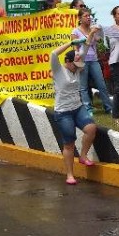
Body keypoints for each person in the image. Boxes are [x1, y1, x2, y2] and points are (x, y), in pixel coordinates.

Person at [50, 39, 98, 185]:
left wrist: (88, 37)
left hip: (78, 107)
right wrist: (70, 44)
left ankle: (83, 156)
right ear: (67, 61)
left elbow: (86, 47)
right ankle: (70, 175)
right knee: (69, 144)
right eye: (75, 65)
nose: (78, 68)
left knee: (91, 128)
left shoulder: (76, 66)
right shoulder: (58, 70)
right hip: (63, 112)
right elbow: (53, 54)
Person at [71, 2, 113, 116]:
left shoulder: (92, 29)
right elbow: (75, 47)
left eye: (89, 16)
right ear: (80, 19)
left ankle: (108, 107)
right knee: (83, 86)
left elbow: (99, 40)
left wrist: (97, 31)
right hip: (82, 60)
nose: (88, 18)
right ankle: (88, 109)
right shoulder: (75, 31)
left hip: (94, 60)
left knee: (101, 84)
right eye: (86, 16)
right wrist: (77, 56)